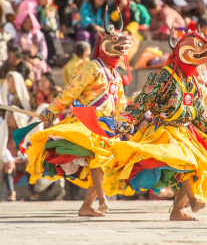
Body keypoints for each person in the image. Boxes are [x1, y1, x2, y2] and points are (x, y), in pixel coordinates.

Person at [103, 30, 207, 221]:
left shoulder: (192, 82)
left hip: (187, 133)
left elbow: (200, 113)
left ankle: (177, 210)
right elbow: (142, 101)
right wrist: (124, 122)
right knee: (186, 161)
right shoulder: (162, 76)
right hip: (165, 131)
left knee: (204, 161)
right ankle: (193, 199)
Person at [25, 13, 133, 216]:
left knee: (107, 163)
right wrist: (52, 110)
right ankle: (102, 199)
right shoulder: (91, 67)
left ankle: (86, 206)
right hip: (87, 122)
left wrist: (123, 120)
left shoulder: (116, 76)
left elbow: (120, 103)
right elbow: (70, 92)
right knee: (97, 157)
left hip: (106, 126)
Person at [0, 110, 35, 201]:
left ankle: (32, 193)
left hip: (20, 159)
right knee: (9, 166)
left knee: (30, 163)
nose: (8, 119)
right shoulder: (4, 129)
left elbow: (25, 147)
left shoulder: (22, 130)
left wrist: (26, 157)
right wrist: (9, 159)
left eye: (11, 117)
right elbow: (2, 148)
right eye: (7, 116)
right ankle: (11, 193)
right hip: (7, 159)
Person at [13, 11, 49, 82]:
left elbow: (43, 49)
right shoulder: (18, 35)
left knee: (42, 66)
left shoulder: (38, 35)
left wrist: (38, 59)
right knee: (27, 67)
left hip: (37, 59)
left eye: (29, 22)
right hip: (24, 59)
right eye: (25, 22)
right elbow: (16, 50)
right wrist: (27, 59)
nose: (27, 24)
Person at [36, 0, 60, 66]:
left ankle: (52, 59)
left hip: (52, 31)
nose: (47, 0)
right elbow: (36, 20)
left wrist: (57, 30)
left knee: (52, 44)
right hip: (42, 31)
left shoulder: (53, 9)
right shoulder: (38, 10)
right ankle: (45, 59)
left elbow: (57, 20)